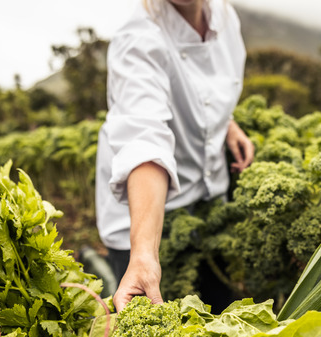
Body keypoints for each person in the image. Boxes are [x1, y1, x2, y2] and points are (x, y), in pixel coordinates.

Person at [95, 0, 254, 312]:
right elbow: (145, 139)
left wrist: (226, 124)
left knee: (219, 304)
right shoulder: (138, 38)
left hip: (206, 196)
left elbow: (206, 89)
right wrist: (143, 254)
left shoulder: (224, 16)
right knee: (159, 335)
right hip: (143, 212)